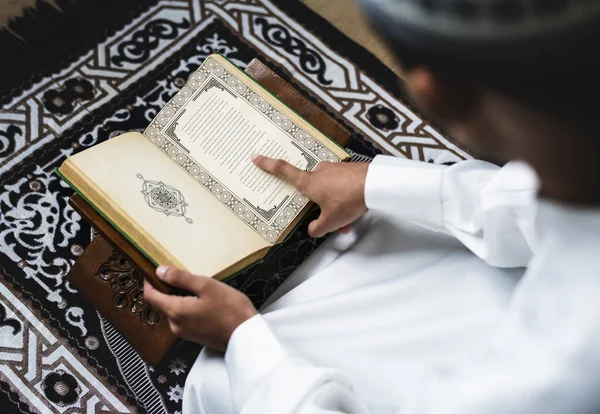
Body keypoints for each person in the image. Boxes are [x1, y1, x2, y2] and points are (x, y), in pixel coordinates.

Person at [143, 0, 600, 412]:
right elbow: (525, 207)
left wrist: (242, 339)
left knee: (216, 378)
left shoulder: (556, 375)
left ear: (435, 94)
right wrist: (375, 182)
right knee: (383, 231)